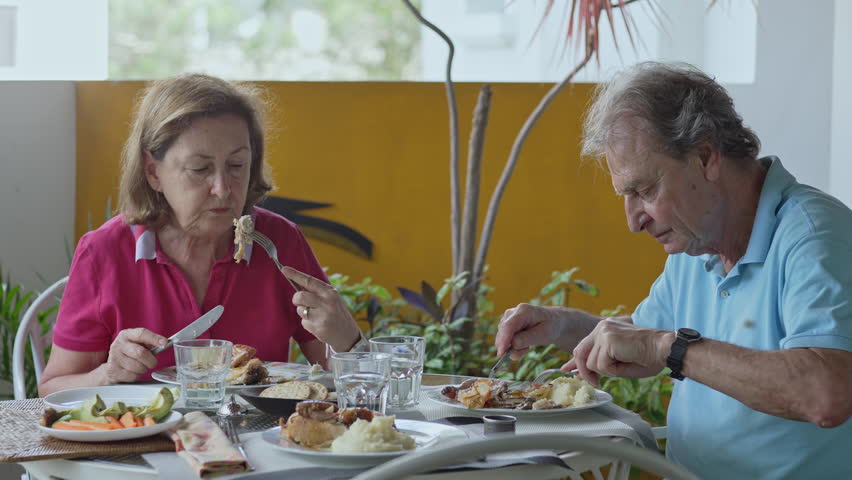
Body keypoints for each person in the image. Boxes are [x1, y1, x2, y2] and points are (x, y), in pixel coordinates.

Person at [495, 62, 852, 478]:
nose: (633, 220)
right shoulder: (696, 243)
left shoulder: (815, 235)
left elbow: (826, 394)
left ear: (705, 156)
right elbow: (643, 341)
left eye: (644, 190)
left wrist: (670, 349)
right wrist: (561, 325)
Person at [39, 74, 364, 396]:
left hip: (258, 440)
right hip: (143, 442)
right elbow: (52, 390)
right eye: (200, 169)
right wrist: (107, 374)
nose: (223, 189)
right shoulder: (104, 253)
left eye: (237, 165)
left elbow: (346, 382)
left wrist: (348, 340)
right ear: (153, 171)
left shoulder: (279, 242)